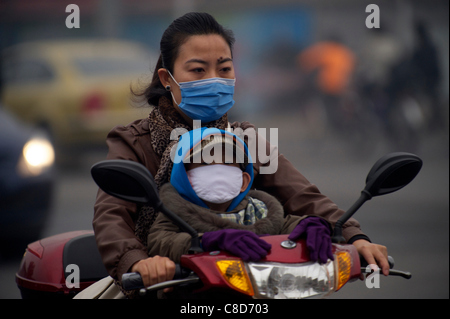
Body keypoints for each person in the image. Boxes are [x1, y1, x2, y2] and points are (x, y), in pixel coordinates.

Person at [93, 12, 389, 296]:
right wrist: (137, 262)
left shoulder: (245, 138)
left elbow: (303, 196)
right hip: (156, 287)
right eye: (198, 70)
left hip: (244, 284)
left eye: (224, 69)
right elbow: (112, 217)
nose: (214, 79)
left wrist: (352, 236)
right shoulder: (133, 141)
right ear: (167, 78)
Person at [147, 128, 334, 266]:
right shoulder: (174, 213)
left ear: (244, 180)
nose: (218, 171)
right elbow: (161, 241)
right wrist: (208, 240)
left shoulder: (259, 210)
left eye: (228, 162)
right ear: (184, 177)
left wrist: (310, 224)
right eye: (204, 162)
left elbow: (286, 225)